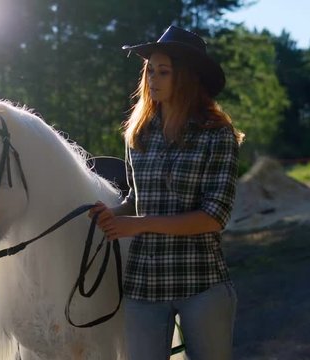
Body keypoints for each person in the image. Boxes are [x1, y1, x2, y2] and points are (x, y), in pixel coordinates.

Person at [90, 25, 244, 360]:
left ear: (186, 77)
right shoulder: (139, 134)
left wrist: (140, 224)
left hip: (201, 283)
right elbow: (136, 199)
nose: (152, 79)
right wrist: (112, 214)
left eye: (163, 71)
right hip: (144, 286)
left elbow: (214, 217)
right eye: (149, 71)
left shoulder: (217, 135)